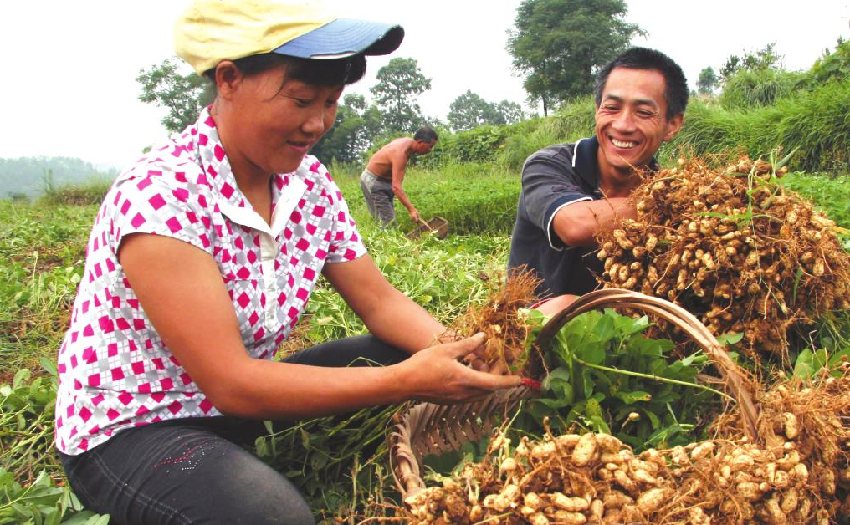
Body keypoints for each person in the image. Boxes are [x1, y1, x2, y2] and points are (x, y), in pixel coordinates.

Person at [53, 2, 519, 524]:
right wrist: (407, 381)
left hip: (242, 405)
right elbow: (229, 381)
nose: (316, 123)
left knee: (397, 348)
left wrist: (469, 355)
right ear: (228, 79)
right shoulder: (162, 194)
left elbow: (380, 301)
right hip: (140, 426)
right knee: (273, 517)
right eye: (300, 100)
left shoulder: (310, 185)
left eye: (330, 102)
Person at [508, 47, 688, 316]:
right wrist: (679, 201)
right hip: (526, 332)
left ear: (672, 125)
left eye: (643, 112)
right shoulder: (548, 165)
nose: (623, 125)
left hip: (617, 340)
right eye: (612, 108)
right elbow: (574, 224)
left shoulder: (668, 189)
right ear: (597, 110)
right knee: (565, 305)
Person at [360, 127, 438, 226]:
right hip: (373, 181)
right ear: (420, 142)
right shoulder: (400, 154)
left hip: (385, 181)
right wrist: (411, 209)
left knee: (387, 218)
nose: (430, 150)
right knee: (388, 223)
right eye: (430, 146)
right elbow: (396, 187)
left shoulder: (408, 143)